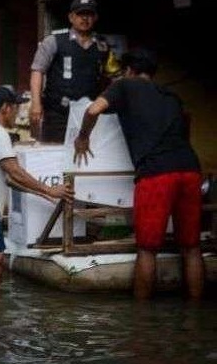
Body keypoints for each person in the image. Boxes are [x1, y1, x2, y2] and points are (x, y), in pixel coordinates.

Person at [73, 49, 204, 301]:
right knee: (191, 248)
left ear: (129, 70)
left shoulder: (124, 85)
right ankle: (195, 314)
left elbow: (92, 110)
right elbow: (186, 124)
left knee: (147, 249)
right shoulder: (171, 96)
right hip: (190, 169)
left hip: (156, 173)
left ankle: (141, 322)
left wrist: (82, 137)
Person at [0, 85, 75, 295]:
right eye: (16, 108)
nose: (19, 114)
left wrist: (42, 193)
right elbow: (14, 171)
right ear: (5, 108)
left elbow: (8, 178)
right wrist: (49, 188)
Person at [29, 0, 120, 143]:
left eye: (89, 14)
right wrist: (36, 104)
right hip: (57, 114)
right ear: (71, 17)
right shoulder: (54, 41)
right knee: (55, 157)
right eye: (80, 14)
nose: (85, 18)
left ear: (95, 17)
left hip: (89, 116)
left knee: (86, 161)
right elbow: (37, 71)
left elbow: (114, 77)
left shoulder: (103, 46)